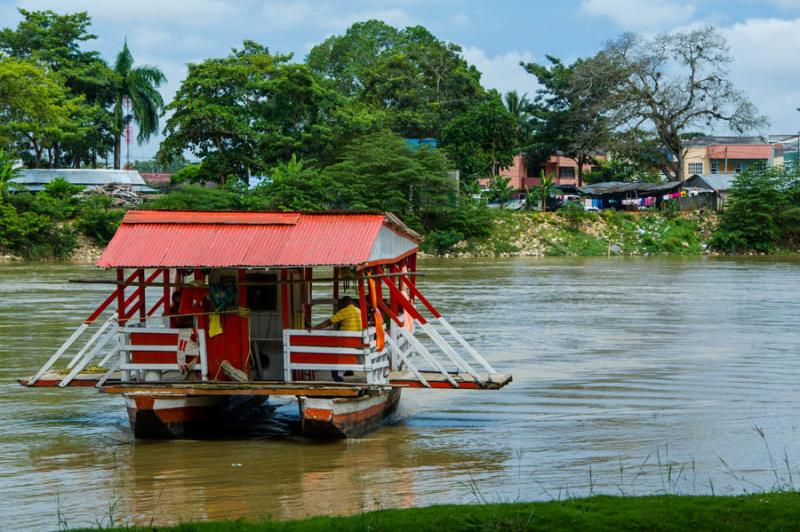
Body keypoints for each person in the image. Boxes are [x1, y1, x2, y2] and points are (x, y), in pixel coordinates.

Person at [309, 296, 362, 382]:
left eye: (341, 304)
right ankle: (348, 370)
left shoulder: (345, 311)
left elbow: (329, 321)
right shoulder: (359, 311)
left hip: (346, 342)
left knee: (332, 355)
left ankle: (337, 377)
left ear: (345, 303)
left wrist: (315, 328)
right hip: (357, 341)